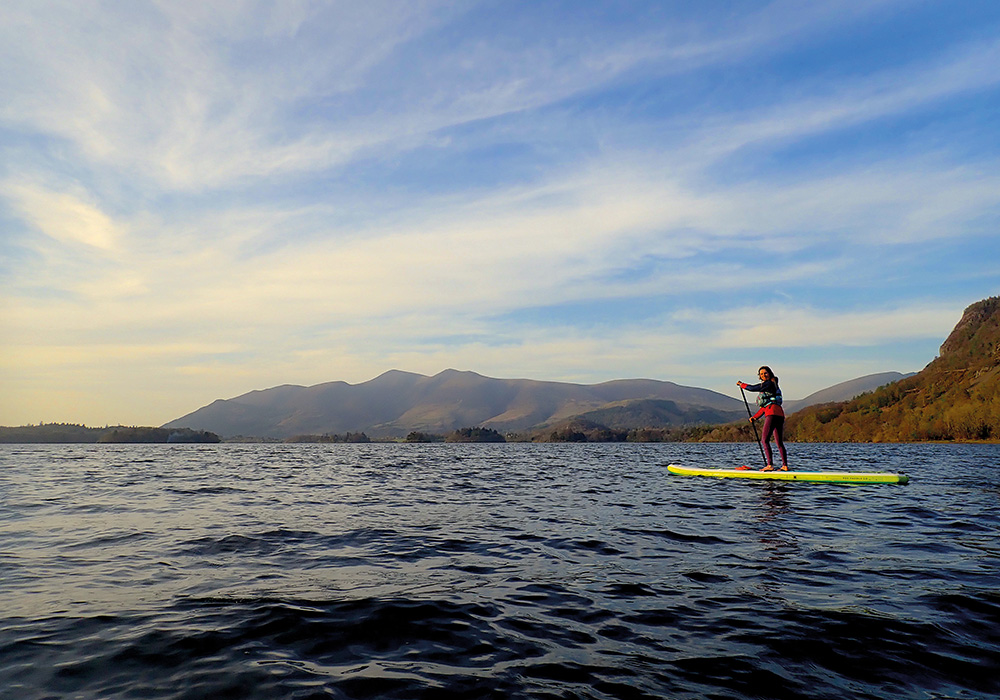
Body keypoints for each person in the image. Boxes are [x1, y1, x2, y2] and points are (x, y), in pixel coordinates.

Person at [737, 366, 789, 471]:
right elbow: (767, 406)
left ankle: (770, 465)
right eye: (761, 374)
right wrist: (755, 417)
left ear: (770, 373)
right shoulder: (773, 386)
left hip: (772, 414)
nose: (763, 375)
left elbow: (752, 388)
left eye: (765, 373)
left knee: (764, 440)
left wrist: (741, 385)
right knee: (779, 442)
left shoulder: (769, 384)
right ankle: (785, 466)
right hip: (779, 414)